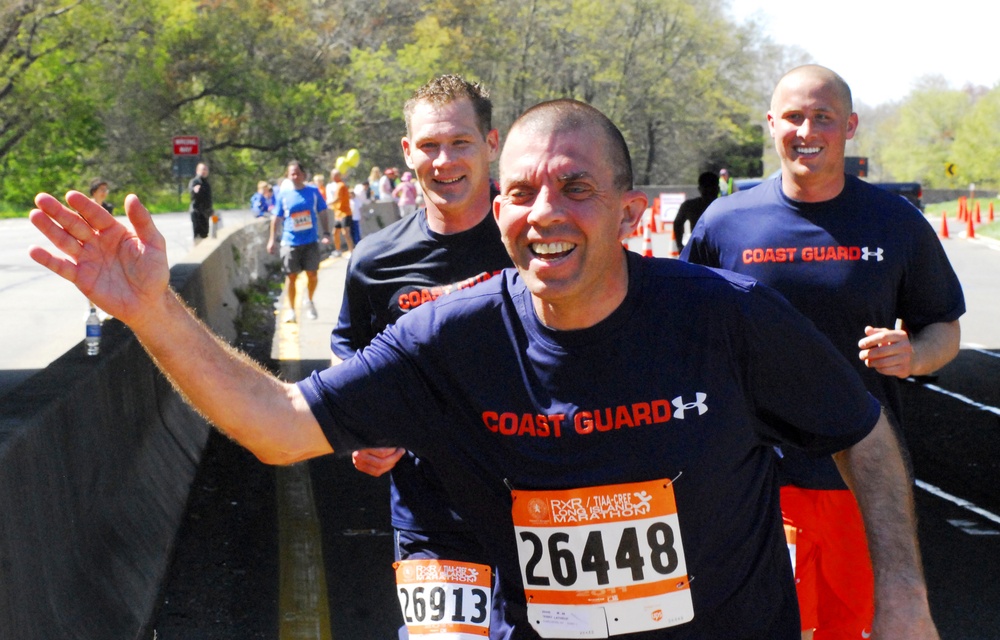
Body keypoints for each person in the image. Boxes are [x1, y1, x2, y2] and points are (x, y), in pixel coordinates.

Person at [28, 99, 940, 640]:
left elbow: (862, 431)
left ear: (628, 210)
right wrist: (150, 307)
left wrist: (901, 600)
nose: (547, 212)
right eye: (523, 191)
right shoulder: (451, 337)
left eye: (577, 188)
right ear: (497, 206)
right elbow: (276, 425)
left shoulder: (726, 317)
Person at [682, 65, 963, 640]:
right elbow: (679, 332)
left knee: (850, 630)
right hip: (752, 480)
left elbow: (945, 330)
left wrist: (914, 354)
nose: (806, 130)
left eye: (823, 117)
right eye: (792, 117)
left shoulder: (896, 223)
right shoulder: (725, 223)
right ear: (771, 125)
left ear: (850, 126)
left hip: (857, 480)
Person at [331, 74, 512, 639]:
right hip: (430, 515)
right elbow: (349, 355)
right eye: (430, 145)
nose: (445, 160)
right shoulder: (373, 260)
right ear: (408, 152)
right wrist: (362, 427)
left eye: (460, 142)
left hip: (541, 508)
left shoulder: (533, 241)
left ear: (491, 143)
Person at [267, 161, 329, 323]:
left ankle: (309, 300)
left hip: (310, 241)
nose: (294, 176)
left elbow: (323, 212)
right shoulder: (284, 195)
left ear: (304, 175)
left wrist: (326, 232)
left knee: (312, 274)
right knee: (291, 277)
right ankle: (292, 311)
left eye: (297, 173)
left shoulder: (313, 192)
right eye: (291, 174)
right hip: (290, 241)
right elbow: (276, 218)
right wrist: (272, 240)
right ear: (288, 176)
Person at [672, 171, 718, 252]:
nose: (709, 191)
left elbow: (677, 223)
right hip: (719, 249)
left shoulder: (690, 206)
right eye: (707, 188)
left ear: (699, 189)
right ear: (718, 189)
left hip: (698, 250)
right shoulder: (725, 205)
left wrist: (679, 245)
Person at [324, 169, 355, 257]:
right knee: (335, 232)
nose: (333, 177)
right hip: (338, 214)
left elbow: (337, 198)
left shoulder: (341, 185)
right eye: (332, 175)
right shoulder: (337, 186)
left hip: (345, 213)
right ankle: (338, 250)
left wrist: (327, 203)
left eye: (336, 175)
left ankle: (351, 251)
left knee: (346, 233)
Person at [188, 162, 214, 241]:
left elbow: (208, 199)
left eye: (206, 169)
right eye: (203, 169)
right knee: (198, 235)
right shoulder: (195, 181)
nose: (204, 171)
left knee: (205, 234)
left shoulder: (206, 183)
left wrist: (211, 210)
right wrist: (195, 190)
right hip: (197, 212)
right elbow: (192, 194)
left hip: (205, 213)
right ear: (197, 171)